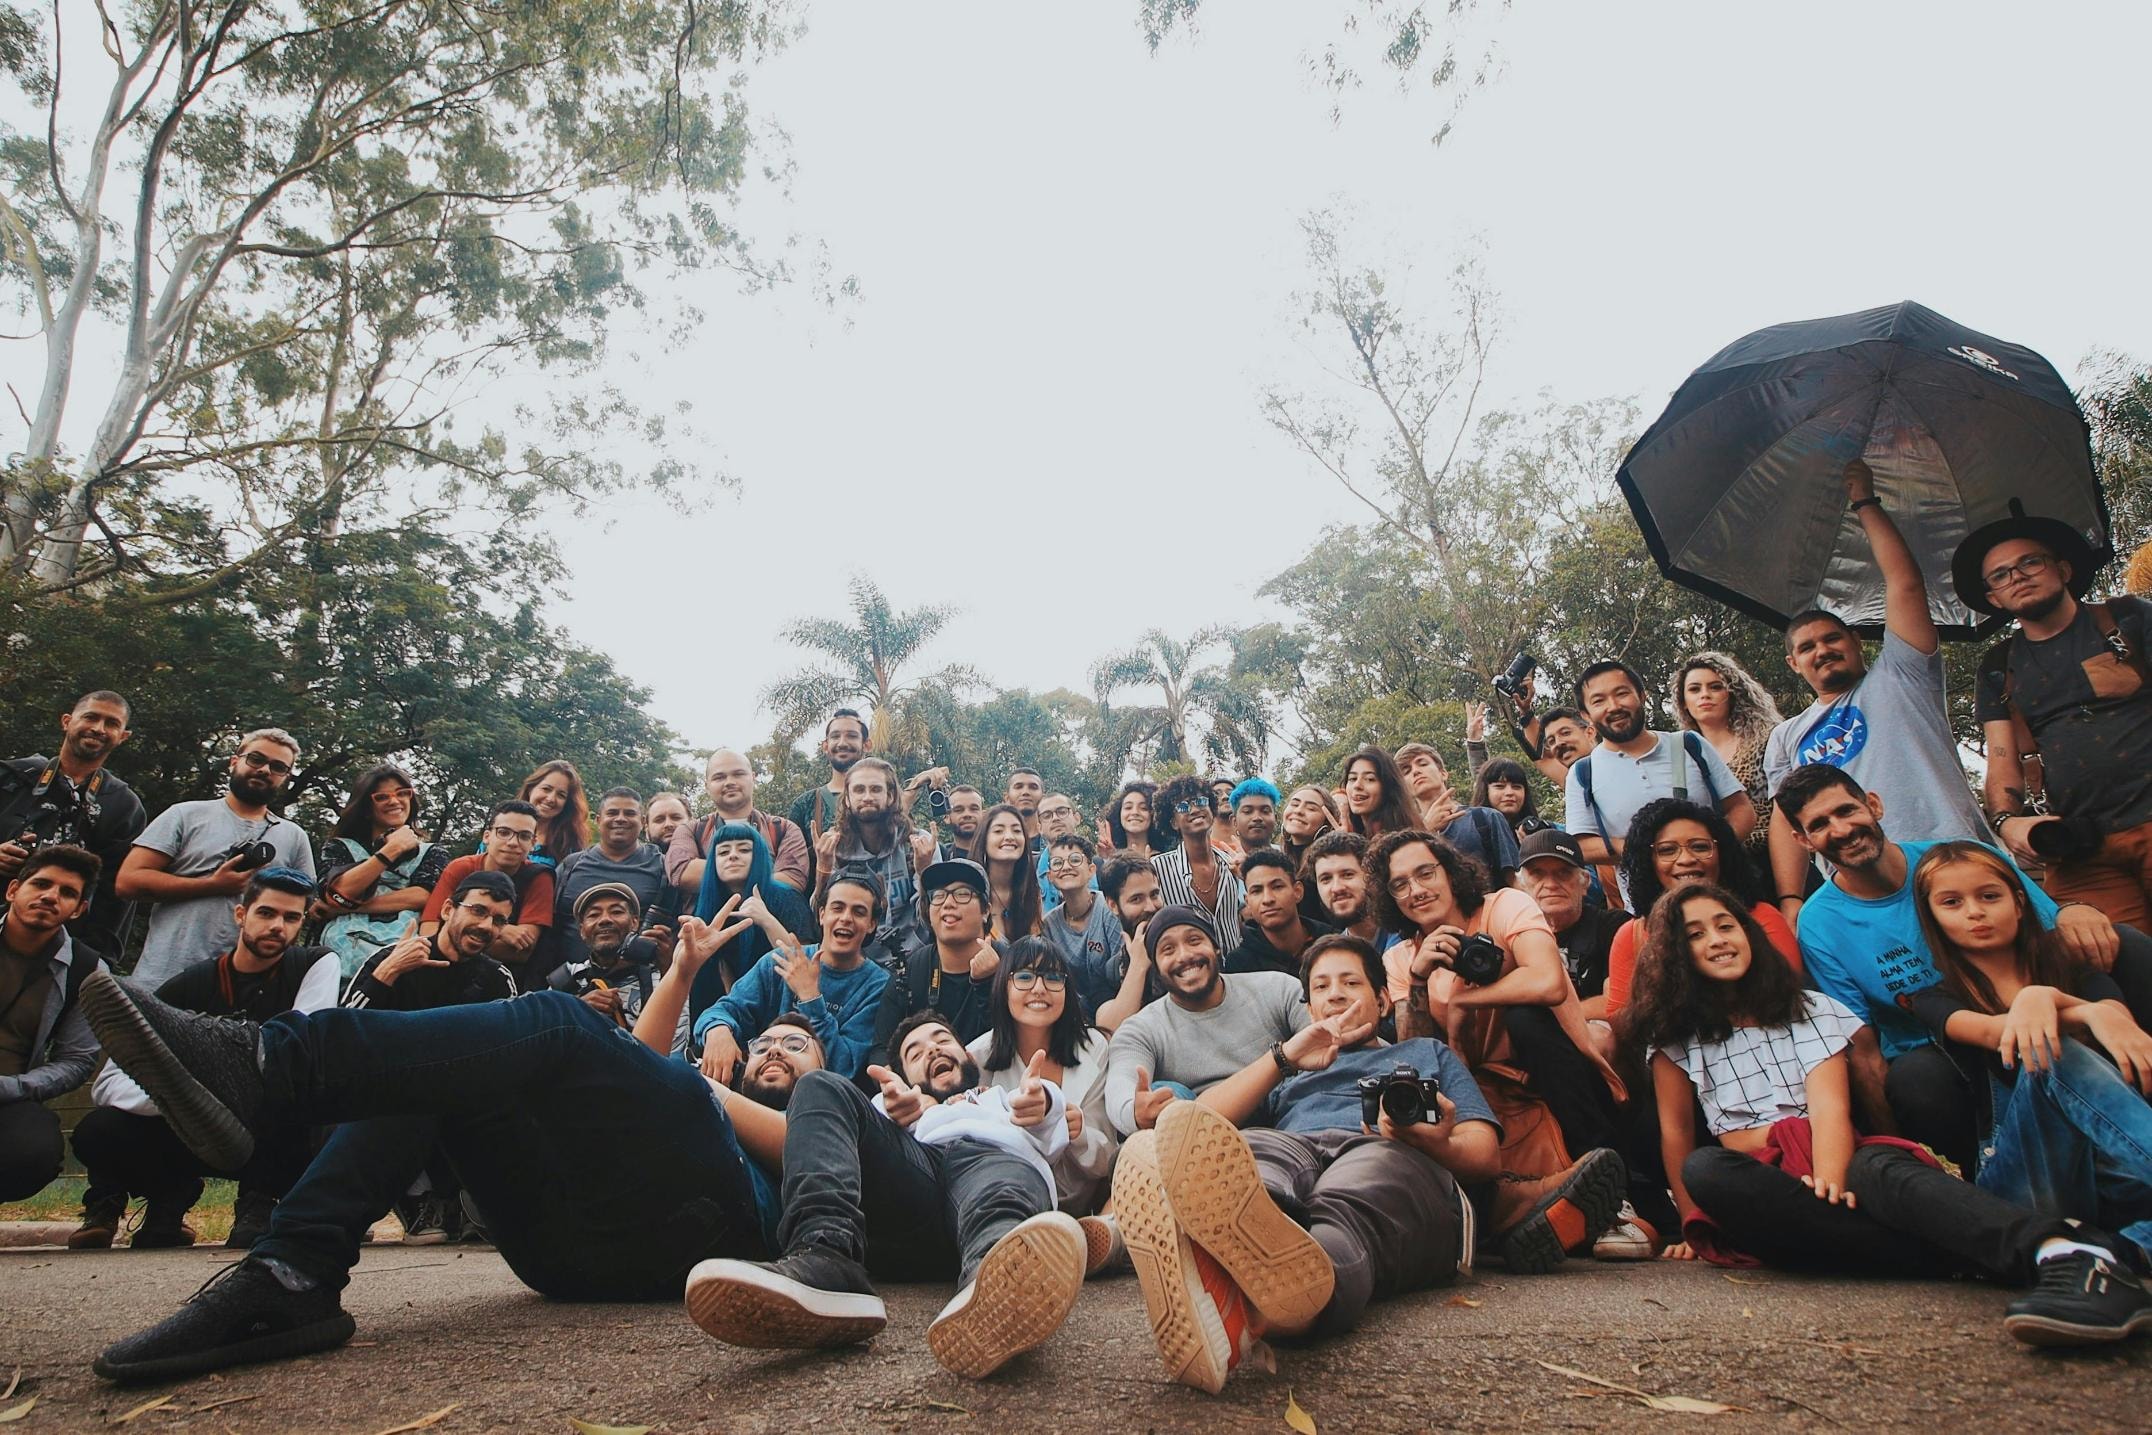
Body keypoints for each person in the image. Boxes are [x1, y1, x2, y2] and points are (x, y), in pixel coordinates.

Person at [75, 898, 774, 1384]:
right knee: (451, 1068)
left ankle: (268, 1066)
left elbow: (780, 1129)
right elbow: (648, 1069)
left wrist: (710, 1085)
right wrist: (683, 973)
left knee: (566, 1022)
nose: (774, 1048)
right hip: (564, 1254)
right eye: (766, 1039)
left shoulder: (831, 1112)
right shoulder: (685, 1096)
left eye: (794, 1045)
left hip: (707, 1234)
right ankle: (293, 1273)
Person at [1625, 880, 2152, 1348]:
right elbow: (1678, 1131)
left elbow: (1829, 1104)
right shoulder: (1675, 1039)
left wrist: (1829, 1179)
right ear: (1675, 955)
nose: (1717, 939)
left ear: (1750, 933)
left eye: (1726, 925)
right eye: (1695, 935)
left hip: (1837, 1158)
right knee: (1707, 1169)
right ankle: (1966, 1249)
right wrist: (1690, 1226)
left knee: (1874, 1168)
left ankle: (2055, 1251)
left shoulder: (1806, 1008)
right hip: (1770, 1184)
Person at [1115, 936, 1628, 1392]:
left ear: (1383, 999)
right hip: (1297, 1146)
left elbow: (1484, 1156)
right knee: (1257, 1154)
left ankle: (1291, 1301)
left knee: (1355, 1190)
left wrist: (1430, 1143)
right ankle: (1238, 1264)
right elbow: (1200, 1126)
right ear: (1308, 1005)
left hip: (1394, 1156)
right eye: (1321, 987)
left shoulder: (1426, 1053)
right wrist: (1283, 1059)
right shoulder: (1290, 1075)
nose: (1335, 994)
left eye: (1350, 982)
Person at [683, 1009, 1087, 1380]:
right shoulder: (895, 1107)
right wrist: (890, 1111)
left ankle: (995, 1285)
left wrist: (1044, 1102)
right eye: (915, 1051)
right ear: (903, 1074)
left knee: (997, 1195)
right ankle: (825, 1260)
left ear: (967, 1056)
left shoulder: (1001, 1098)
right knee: (818, 1085)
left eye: (942, 1041)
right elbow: (860, 1132)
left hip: (991, 1164)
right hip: (914, 1189)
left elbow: (1048, 1123)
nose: (932, 1049)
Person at [1776, 763, 2133, 1168]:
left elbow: (2049, 938)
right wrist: (1905, 1158)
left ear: (1873, 804)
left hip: (2026, 1007)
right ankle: (1983, 1175)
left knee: (2126, 945)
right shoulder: (1820, 924)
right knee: (1915, 1079)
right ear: (1802, 840)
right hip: (1944, 1053)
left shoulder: (1958, 859)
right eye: (1819, 824)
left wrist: (2075, 911)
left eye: (1846, 811)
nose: (1840, 830)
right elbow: (1863, 1049)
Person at [1370, 830, 1664, 1255]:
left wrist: (1466, 1000)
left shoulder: (1505, 905)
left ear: (1449, 871)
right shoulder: (1399, 958)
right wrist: (1419, 978)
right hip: (1480, 1095)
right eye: (1399, 884)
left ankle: (1615, 1201)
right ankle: (1531, 1222)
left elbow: (1546, 982)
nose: (1416, 890)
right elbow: (1417, 1053)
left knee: (1525, 1015)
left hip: (1556, 1071)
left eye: (1425, 873)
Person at [1765, 458, 1992, 921]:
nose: (1823, 650)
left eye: (1833, 638)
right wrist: (1792, 901)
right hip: (1863, 889)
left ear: (1855, 641)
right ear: (1794, 664)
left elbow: (1905, 585)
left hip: (1953, 860)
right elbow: (1785, 822)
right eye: (1807, 647)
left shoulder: (1903, 674)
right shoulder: (1787, 736)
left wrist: (1865, 502)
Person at [1909, 842, 2152, 1260]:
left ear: (2019, 903)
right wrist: (2046, 1001)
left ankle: (2116, 1251)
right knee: (2049, 1056)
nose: (1974, 912)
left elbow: (2115, 1020)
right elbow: (1997, 1032)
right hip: (2022, 1178)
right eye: (1952, 902)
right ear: (1933, 918)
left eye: (1989, 896)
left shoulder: (2070, 966)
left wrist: (2061, 1000)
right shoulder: (1935, 999)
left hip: (2114, 1174)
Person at [71, 867, 334, 1252]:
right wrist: (185, 1102)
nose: (278, 926)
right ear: (241, 915)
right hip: (190, 1131)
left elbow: (302, 1050)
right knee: (100, 1129)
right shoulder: (189, 985)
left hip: (264, 1129)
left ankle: (260, 1204)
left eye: (291, 917)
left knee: (301, 1103)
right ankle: (150, 1201)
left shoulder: (314, 965)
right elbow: (110, 1083)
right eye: (266, 913)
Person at [1961, 508, 2152, 929]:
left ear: (2062, 569)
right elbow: (2001, 760)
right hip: (2082, 848)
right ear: (1993, 597)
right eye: (2000, 575)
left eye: (2030, 561)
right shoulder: (1997, 667)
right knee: (2107, 962)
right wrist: (2007, 823)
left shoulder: (2127, 619)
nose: (2017, 576)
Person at [345, 868, 520, 1242]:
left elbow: (511, 1056)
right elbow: (341, 1035)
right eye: (478, 911)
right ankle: (412, 1200)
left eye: (499, 920)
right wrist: (390, 972)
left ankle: (475, 1201)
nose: (487, 925)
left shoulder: (497, 978)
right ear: (446, 910)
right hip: (390, 1093)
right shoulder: (390, 959)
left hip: (461, 1100)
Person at [116, 728, 316, 987]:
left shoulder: (294, 836)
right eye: (256, 759)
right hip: (166, 975)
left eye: (278, 767)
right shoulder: (184, 815)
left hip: (248, 988)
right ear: (235, 761)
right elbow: (127, 882)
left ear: (285, 777)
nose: (265, 770)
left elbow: (304, 905)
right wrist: (212, 885)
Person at [1099, 905, 1309, 1136]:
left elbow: (1321, 1044)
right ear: (1156, 969)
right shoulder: (1140, 1029)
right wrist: (1136, 1112)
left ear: (1216, 948)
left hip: (1290, 1121)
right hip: (1202, 1141)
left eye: (1194, 940)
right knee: (1166, 1094)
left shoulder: (1276, 988)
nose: (1185, 956)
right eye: (1168, 949)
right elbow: (1121, 1089)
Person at [1601, 799, 1795, 1019]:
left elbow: (1787, 999)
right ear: (1648, 862)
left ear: (1722, 853)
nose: (1686, 859)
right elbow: (1622, 1023)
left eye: (1700, 847)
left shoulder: (1762, 917)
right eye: (1667, 850)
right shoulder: (1632, 935)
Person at [693, 871, 892, 1084]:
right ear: (822, 914)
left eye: (859, 912)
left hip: (822, 1098)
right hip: (761, 1087)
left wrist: (810, 998)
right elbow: (721, 1011)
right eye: (838, 908)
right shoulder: (779, 961)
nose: (845, 918)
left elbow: (843, 1066)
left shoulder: (878, 986)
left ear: (872, 924)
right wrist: (717, 1030)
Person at [967, 937, 1116, 1214]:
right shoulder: (977, 1057)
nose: (1039, 988)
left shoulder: (1093, 1047)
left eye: (1053, 977)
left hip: (1090, 1205)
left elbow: (1108, 1159)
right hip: (1010, 1205)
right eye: (1024, 976)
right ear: (1003, 987)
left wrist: (1079, 1133)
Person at [1565, 661, 1754, 873]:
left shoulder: (1689, 744)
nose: (1614, 706)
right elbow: (1581, 845)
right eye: (1599, 701)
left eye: (1622, 693)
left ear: (1642, 696)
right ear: (1586, 715)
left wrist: (1708, 849)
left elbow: (1741, 809)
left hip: (1722, 891)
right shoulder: (1584, 772)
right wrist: (1642, 849)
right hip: (1645, 903)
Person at [0, 689, 146, 952]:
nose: (98, 728)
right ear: (67, 721)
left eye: (111, 723)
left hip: (55, 950)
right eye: (90, 717)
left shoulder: (123, 806)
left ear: (123, 736)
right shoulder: (10, 778)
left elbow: (114, 896)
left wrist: (97, 959)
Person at [0, 844, 106, 1203]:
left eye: (67, 893)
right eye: (41, 885)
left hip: (9, 1096)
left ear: (79, 910)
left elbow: (77, 1060)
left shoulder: (87, 970)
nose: (50, 896)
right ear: (14, 890)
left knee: (34, 1152)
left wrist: (14, 1087)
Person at [313, 763, 448, 983]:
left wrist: (345, 906)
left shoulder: (432, 852)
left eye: (403, 793)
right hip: (341, 958)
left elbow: (424, 895)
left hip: (402, 952)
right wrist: (390, 850)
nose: (394, 801)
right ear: (366, 807)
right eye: (382, 797)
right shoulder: (339, 847)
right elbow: (339, 892)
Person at [682, 821, 820, 1021]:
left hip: (785, 1008)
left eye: (744, 849)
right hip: (730, 1013)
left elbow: (805, 963)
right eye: (723, 852)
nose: (733, 855)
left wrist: (766, 920)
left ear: (759, 857)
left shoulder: (786, 897)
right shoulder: (708, 906)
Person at [416, 799, 555, 993]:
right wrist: (501, 930)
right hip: (439, 965)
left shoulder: (539, 878)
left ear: (533, 843)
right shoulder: (461, 868)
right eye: (504, 832)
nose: (512, 843)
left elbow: (521, 951)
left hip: (498, 976)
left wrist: (456, 936)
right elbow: (428, 929)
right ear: (487, 836)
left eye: (523, 836)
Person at [873, 859, 1005, 1061]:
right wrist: (896, 1084)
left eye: (962, 894)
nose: (948, 903)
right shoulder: (910, 971)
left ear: (986, 910)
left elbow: (1018, 1041)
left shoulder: (1011, 964)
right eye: (938, 895)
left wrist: (987, 983)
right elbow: (881, 1050)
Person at [815, 757, 939, 952]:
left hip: (914, 955)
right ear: (847, 799)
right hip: (856, 958)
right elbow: (821, 919)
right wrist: (823, 867)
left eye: (875, 789)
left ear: (890, 796)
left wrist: (925, 871)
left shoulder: (918, 844)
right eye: (859, 790)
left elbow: (933, 919)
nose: (867, 797)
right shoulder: (836, 847)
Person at [1671, 651, 1783, 860]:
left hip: (1774, 856)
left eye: (1715, 687)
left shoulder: (1769, 739)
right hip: (1716, 865)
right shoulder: (1683, 756)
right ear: (1683, 701)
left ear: (1732, 693)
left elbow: (1788, 807)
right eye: (1695, 689)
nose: (1705, 694)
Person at [555, 787, 677, 972]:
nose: (620, 819)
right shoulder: (570, 866)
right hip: (570, 982)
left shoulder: (662, 866)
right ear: (598, 820)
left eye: (629, 813)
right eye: (612, 813)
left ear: (643, 822)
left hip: (639, 983)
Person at [1515, 829, 1629, 1019]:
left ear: (1585, 882)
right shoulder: (1513, 935)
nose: (1550, 884)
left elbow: (1616, 1004)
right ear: (1522, 885)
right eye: (1537, 874)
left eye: (1563, 873)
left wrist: (1545, 1022)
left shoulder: (1614, 927)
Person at [667, 749, 811, 899]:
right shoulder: (690, 830)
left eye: (738, 774)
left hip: (771, 921)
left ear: (753, 778)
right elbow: (681, 872)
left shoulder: (784, 829)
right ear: (707, 785)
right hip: (703, 922)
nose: (729, 782)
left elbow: (793, 879)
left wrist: (724, 873)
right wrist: (762, 874)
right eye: (719, 777)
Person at [547, 881, 676, 1047]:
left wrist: (672, 972)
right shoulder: (564, 980)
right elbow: (542, 1045)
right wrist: (578, 1009)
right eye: (593, 915)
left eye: (616, 912)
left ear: (635, 923)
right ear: (582, 930)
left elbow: (676, 1048)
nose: (605, 920)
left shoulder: (661, 978)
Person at [1395, 742, 1521, 885]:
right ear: (1403, 788)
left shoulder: (1486, 818)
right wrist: (1426, 829)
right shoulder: (1403, 836)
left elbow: (1514, 880)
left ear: (1443, 773)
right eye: (1406, 771)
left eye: (1422, 764)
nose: (1415, 771)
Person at [1150, 774, 1245, 959]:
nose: (1195, 809)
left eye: (1201, 801)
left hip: (1238, 975)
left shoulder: (1231, 864)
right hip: (1190, 973)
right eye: (1183, 806)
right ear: (1173, 822)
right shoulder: (1157, 869)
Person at [1039, 833, 1124, 1020]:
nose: (1066, 867)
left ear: (1092, 869)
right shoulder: (1049, 925)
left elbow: (1122, 970)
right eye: (1057, 863)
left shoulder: (1109, 909)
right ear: (1051, 876)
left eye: (1075, 860)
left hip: (1118, 1007)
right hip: (1072, 1017)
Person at [789, 709, 870, 889]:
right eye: (835, 736)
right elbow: (792, 870)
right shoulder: (805, 805)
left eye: (851, 736)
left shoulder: (883, 800)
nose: (842, 743)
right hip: (824, 910)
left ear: (866, 745)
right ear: (825, 746)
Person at [1229, 848, 1334, 977]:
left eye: (1277, 887)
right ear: (1248, 901)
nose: (1267, 899)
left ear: (1298, 891)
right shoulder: (1239, 965)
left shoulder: (1334, 943)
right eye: (1257, 891)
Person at [1094, 856, 1168, 1031]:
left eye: (1154, 895)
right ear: (1113, 905)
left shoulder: (1188, 950)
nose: (1150, 907)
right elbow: (1109, 1029)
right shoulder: (1110, 972)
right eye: (1136, 899)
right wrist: (1138, 966)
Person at [977, 803, 1044, 939]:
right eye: (998, 831)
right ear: (984, 840)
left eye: (1017, 831)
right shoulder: (970, 894)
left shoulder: (1031, 894)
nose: (1009, 837)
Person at [1303, 830, 1379, 946]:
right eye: (1326, 879)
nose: (1337, 888)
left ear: (1371, 877)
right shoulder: (1334, 956)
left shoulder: (1409, 937)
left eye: (1347, 875)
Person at [516, 759, 589, 867]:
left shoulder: (570, 848)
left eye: (561, 795)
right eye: (546, 789)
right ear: (531, 789)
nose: (551, 799)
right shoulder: (501, 830)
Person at [1341, 746, 1419, 842]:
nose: (1357, 785)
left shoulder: (1403, 840)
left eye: (1370, 779)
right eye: (1352, 778)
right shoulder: (1353, 833)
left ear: (1388, 787)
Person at [1471, 758, 1550, 842]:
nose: (1509, 792)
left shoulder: (1542, 832)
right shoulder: (1470, 831)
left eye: (1516, 787)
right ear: (1485, 791)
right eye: (1500, 786)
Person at [1099, 781, 1167, 863]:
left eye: (1143, 808)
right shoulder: (1106, 860)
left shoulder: (1166, 861)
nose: (1135, 812)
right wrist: (1109, 859)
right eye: (1128, 807)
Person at [1227, 778, 1281, 856]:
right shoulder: (1221, 863)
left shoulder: (1291, 860)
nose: (1257, 818)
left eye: (1265, 811)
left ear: (1275, 819)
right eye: (1247, 811)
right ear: (1234, 821)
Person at [1005, 767, 1045, 847]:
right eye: (1019, 787)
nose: (1025, 792)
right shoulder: (990, 842)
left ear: (1043, 798)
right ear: (1007, 798)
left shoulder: (1054, 842)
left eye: (1033, 787)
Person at [942, 784, 986, 856]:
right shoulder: (939, 856)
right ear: (947, 817)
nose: (967, 814)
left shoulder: (999, 856)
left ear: (984, 815)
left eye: (974, 809)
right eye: (959, 810)